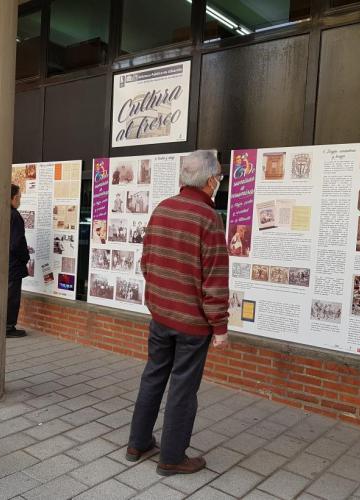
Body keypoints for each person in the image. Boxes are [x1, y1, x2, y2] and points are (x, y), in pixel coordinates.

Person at [126, 150, 229, 476]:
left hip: (161, 315)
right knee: (183, 388)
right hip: (192, 324)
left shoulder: (162, 209)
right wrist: (220, 326)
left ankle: (137, 443)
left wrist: (159, 298)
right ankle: (171, 457)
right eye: (219, 178)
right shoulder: (208, 218)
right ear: (210, 180)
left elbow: (147, 262)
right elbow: (214, 277)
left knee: (153, 376)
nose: (219, 184)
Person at [7, 184, 30, 338]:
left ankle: (6, 324)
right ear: (13, 198)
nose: (20, 200)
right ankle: (8, 327)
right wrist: (25, 256)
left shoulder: (4, 213)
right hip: (13, 264)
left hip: (5, 263)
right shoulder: (14, 215)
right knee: (12, 296)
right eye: (19, 197)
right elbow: (16, 243)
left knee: (7, 295)